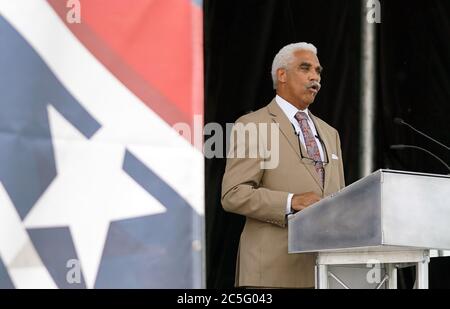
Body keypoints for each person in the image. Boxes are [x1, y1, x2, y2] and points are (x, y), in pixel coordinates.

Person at [221, 42, 345, 288]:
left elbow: (339, 200)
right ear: (282, 75)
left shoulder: (331, 134)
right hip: (271, 274)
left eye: (318, 71)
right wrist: (291, 201)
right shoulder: (254, 125)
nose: (314, 77)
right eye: (305, 68)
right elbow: (233, 195)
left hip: (324, 273)